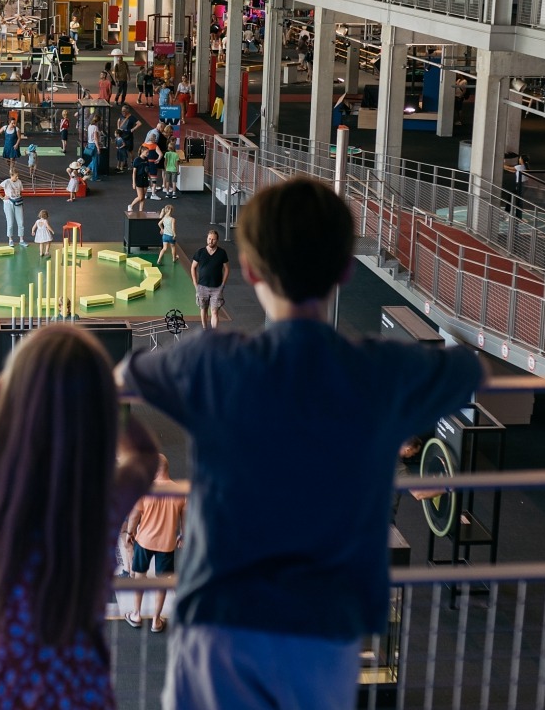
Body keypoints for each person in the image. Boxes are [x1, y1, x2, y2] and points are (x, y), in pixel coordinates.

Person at [120, 178, 485, 710]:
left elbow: (112, 381)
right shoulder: (381, 370)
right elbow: (466, 369)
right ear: (345, 270)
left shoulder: (208, 362)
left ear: (247, 271)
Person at [0, 325, 159, 710]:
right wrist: (104, 398)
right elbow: (145, 456)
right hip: (79, 683)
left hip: (1, 686)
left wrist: (4, 389)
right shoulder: (101, 503)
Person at [123, 454, 187, 633]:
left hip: (144, 542)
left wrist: (129, 533)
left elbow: (135, 515)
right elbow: (185, 519)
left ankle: (136, 615)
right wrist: (182, 535)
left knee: (139, 577)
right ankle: (156, 621)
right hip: (166, 545)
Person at [190, 229, 230, 329]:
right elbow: (193, 267)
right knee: (203, 309)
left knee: (214, 311)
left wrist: (223, 284)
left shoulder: (222, 253)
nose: (210, 241)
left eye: (213, 239)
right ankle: (205, 329)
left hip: (217, 288)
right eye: (209, 239)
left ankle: (214, 333)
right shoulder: (200, 252)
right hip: (202, 287)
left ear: (217, 240)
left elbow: (227, 269)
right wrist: (195, 284)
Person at [0, 168, 27, 247]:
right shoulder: (6, 182)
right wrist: (2, 197)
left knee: (21, 222)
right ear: (11, 175)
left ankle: (21, 240)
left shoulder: (19, 182)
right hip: (8, 203)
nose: (17, 178)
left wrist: (22, 203)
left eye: (17, 176)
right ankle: (10, 240)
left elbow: (21, 192)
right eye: (16, 176)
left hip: (18, 202)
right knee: (10, 222)